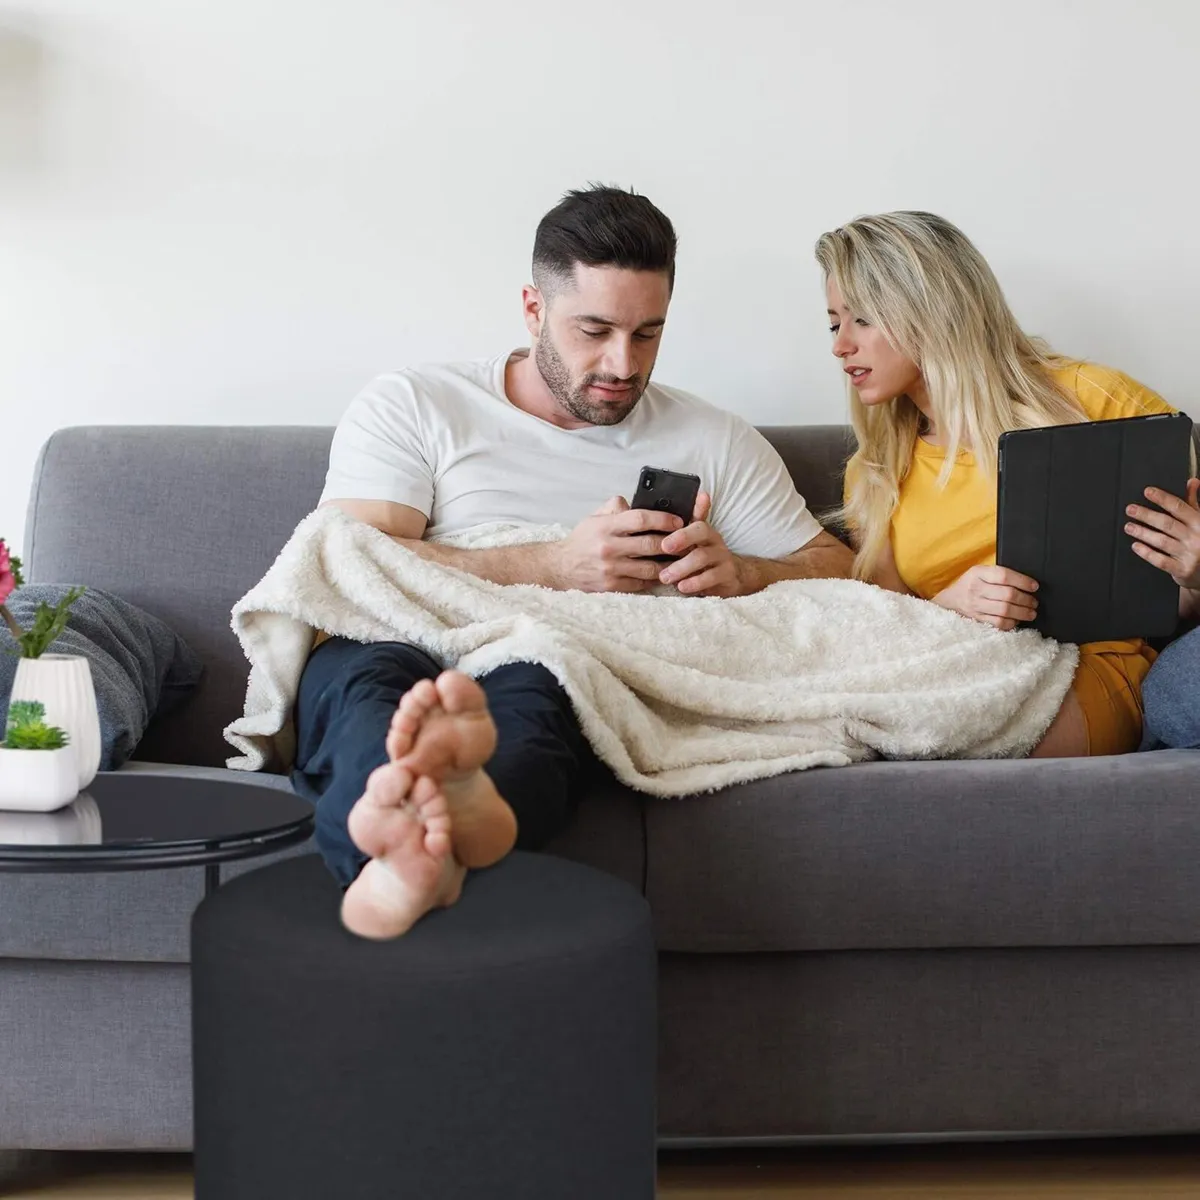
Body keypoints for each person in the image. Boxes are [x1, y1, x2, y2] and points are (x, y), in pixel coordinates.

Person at [298, 185, 853, 939]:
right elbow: (356, 563)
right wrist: (556, 565)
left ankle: (418, 855)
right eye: (594, 330)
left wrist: (747, 574)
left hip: (551, 652)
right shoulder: (418, 403)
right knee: (368, 694)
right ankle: (422, 846)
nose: (622, 364)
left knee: (543, 693)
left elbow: (839, 569)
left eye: (648, 334)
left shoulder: (710, 437)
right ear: (533, 309)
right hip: (397, 636)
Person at [815, 210, 1199, 759]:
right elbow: (886, 637)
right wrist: (951, 603)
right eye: (834, 323)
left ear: (931, 309)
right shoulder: (874, 473)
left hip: (1084, 667)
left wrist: (1197, 570)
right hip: (950, 666)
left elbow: (1172, 601)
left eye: (862, 320)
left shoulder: (1094, 402)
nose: (840, 346)